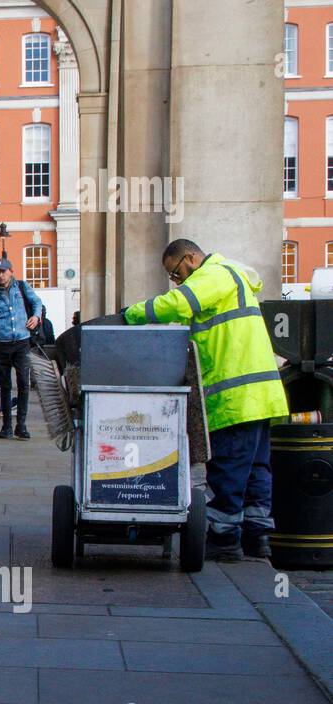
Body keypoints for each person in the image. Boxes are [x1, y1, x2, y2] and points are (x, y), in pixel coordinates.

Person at [124, 239, 288, 562]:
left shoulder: (213, 276)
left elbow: (177, 305)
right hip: (260, 394)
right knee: (256, 469)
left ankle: (225, 539)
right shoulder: (232, 277)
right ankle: (258, 538)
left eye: (176, 272)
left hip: (236, 397)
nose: (177, 281)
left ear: (191, 257)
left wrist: (129, 314)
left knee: (228, 467)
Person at [0, 257, 43, 440]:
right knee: (5, 385)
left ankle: (22, 426)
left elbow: (37, 302)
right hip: (1, 343)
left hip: (21, 341)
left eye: (4, 271)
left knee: (23, 383)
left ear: (11, 272)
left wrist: (36, 317)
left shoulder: (22, 287)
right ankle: (7, 426)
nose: (1, 275)